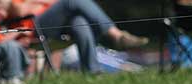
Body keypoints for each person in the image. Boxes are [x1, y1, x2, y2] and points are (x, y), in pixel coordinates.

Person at [8, 0, 149, 74]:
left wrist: (36, 3)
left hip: (57, 25)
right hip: (32, 28)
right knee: (72, 1)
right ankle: (116, 35)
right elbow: (19, 9)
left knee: (79, 22)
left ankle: (92, 72)